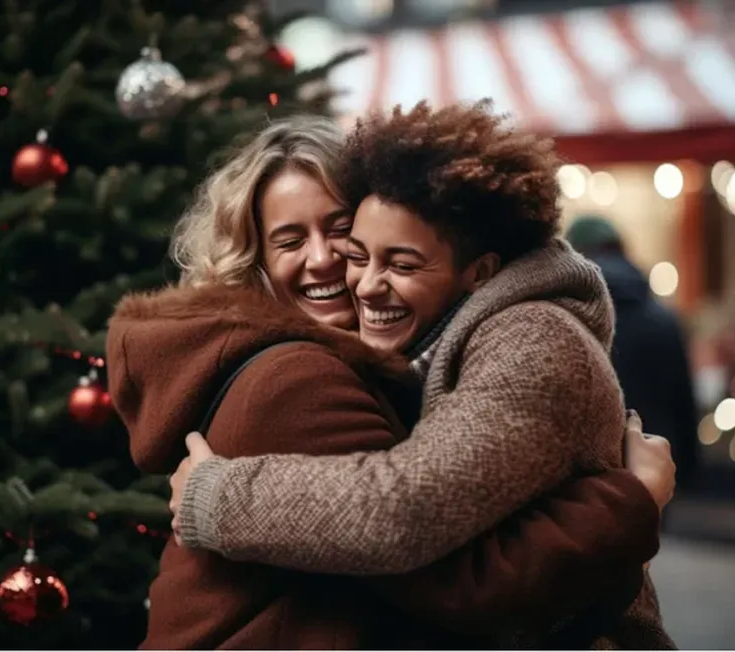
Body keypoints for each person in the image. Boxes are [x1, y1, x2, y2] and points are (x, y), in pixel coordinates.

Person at [107, 113, 675, 649]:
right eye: (289, 241)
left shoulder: (514, 338)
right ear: (252, 256)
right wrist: (631, 503)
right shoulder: (301, 376)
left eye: (344, 234)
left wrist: (217, 496)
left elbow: (413, 530)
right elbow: (434, 564)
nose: (329, 261)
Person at [565, 215, 699, 488]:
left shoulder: (568, 318)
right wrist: (689, 467)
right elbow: (682, 397)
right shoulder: (663, 319)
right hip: (653, 459)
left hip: (588, 470)